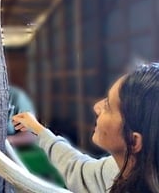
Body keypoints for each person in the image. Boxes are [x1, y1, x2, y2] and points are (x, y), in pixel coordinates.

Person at [12, 62, 159, 193]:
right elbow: (78, 168)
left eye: (108, 106)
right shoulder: (120, 169)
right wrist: (39, 130)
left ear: (133, 141)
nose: (96, 107)